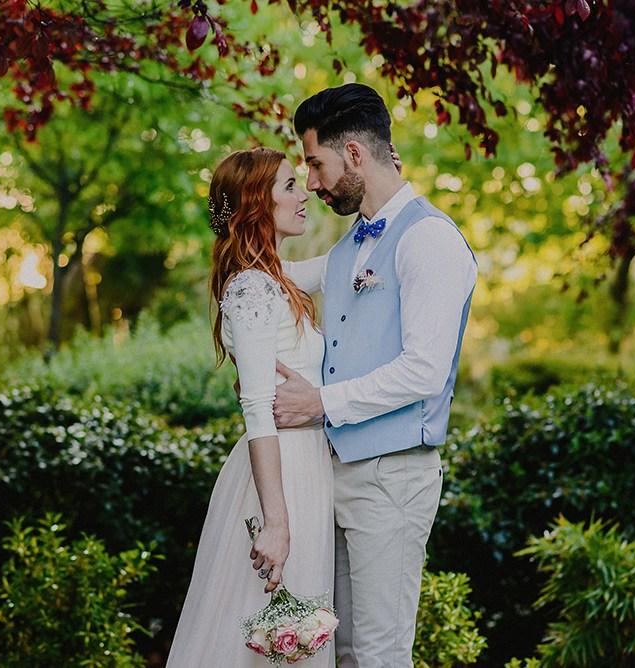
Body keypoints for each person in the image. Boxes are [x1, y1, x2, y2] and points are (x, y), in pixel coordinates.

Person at [274, 83, 478, 667]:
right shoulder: (350, 249)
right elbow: (276, 278)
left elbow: (423, 372)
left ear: (355, 156)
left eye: (315, 163)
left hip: (392, 481)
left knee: (380, 656)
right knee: (335, 652)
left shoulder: (430, 240)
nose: (310, 181)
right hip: (334, 475)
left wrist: (318, 402)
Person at [166, 147, 335, 667]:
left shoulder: (276, 278)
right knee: (269, 637)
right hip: (281, 479)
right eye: (289, 186)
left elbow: (344, 262)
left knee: (292, 639)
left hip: (305, 468)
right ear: (257, 204)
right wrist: (277, 521)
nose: (303, 192)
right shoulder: (252, 289)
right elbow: (258, 408)